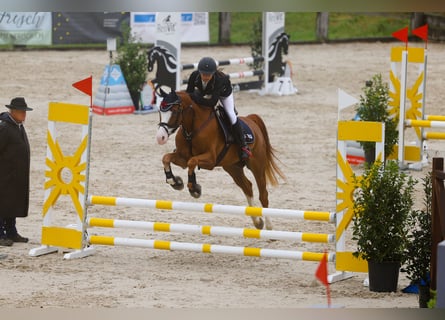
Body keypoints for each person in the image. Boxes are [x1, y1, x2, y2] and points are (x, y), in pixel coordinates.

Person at [186, 56, 252, 161]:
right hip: (205, 92)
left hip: (223, 94)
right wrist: (193, 98)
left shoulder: (220, 80)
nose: (206, 77)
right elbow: (189, 93)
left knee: (231, 115)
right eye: (203, 74)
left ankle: (243, 145)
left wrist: (196, 97)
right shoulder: (194, 76)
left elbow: (212, 102)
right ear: (199, 72)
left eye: (208, 75)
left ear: (213, 73)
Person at [0, 97, 33, 246]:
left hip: (14, 174)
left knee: (11, 203)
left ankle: (11, 232)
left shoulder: (17, 125)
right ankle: (1, 235)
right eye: (21, 112)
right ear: (12, 112)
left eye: (25, 112)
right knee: (2, 204)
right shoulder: (4, 127)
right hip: (3, 174)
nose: (24, 115)